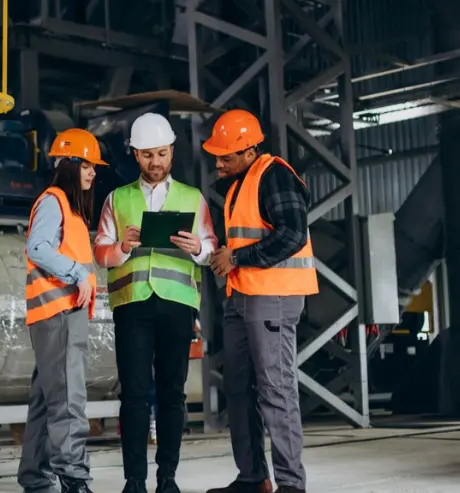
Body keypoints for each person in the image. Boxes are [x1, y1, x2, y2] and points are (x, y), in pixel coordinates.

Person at [94, 112, 217, 493]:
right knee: (132, 394)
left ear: (172, 152)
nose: (156, 162)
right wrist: (123, 248)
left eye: (162, 154)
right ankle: (134, 481)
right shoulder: (117, 199)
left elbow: (211, 248)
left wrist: (199, 248)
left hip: (177, 306)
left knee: (171, 393)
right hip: (132, 305)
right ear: (134, 154)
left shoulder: (193, 199)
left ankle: (167, 478)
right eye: (147, 155)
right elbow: (100, 252)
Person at [203, 109, 319, 493]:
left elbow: (292, 235)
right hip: (242, 297)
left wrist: (235, 258)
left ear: (249, 151)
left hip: (274, 297)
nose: (218, 162)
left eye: (226, 156)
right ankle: (253, 478)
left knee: (276, 390)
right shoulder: (239, 183)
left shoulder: (274, 175)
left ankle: (291, 484)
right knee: (238, 388)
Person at [18, 128, 108, 493]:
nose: (93, 173)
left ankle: (35, 477)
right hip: (58, 315)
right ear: (70, 165)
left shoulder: (67, 208)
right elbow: (37, 248)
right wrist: (78, 274)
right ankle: (74, 478)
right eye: (87, 165)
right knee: (69, 398)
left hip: (58, 315)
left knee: (46, 399)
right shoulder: (54, 201)